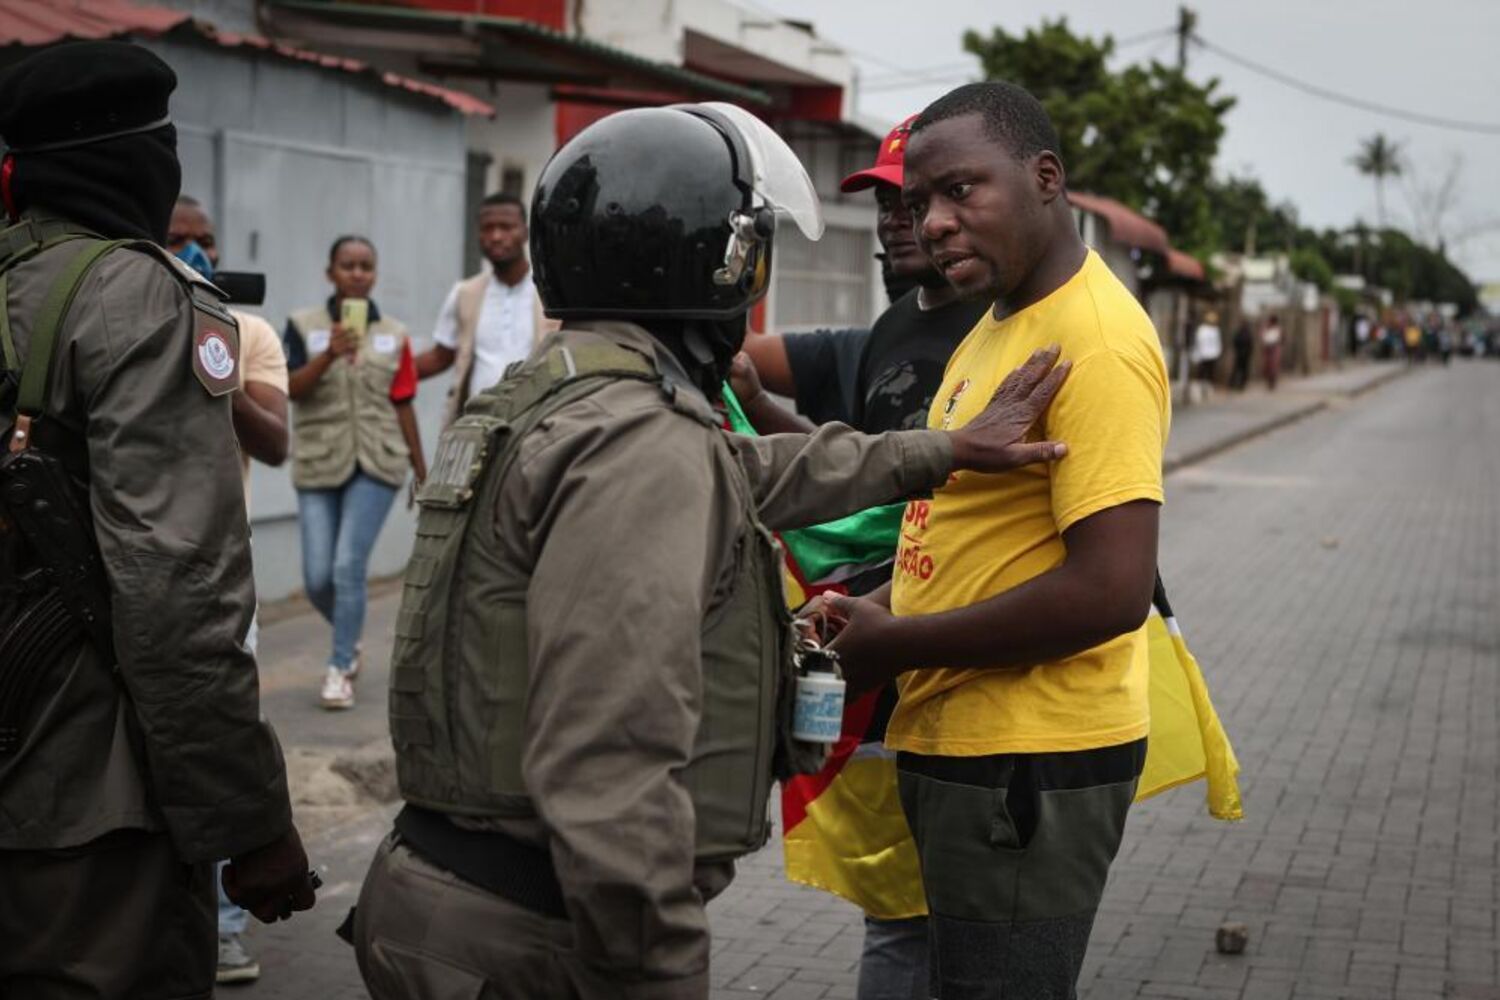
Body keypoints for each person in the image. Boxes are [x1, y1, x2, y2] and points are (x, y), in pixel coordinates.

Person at [350, 101, 1071, 1000]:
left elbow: (754, 468)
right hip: (537, 931)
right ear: (717, 262)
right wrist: (656, 963)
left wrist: (946, 448)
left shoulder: (561, 395)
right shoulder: (635, 441)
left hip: (452, 897)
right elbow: (609, 754)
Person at [813, 81, 1168, 999]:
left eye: (960, 190)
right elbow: (963, 531)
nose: (931, 222)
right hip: (964, 745)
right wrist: (866, 609)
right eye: (919, 201)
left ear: (1044, 178)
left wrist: (902, 645)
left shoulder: (1096, 340)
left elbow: (1112, 590)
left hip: (1027, 762)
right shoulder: (998, 322)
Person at [0, 41, 315, 999]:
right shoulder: (139, 298)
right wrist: (249, 821)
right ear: (144, 165)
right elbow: (177, 595)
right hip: (82, 805)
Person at [730, 113, 988, 1000]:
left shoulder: (999, 330)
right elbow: (850, 469)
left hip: (958, 644)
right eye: (887, 203)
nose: (898, 221)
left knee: (958, 908)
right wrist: (751, 399)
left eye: (917, 202)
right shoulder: (890, 330)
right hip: (879, 646)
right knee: (895, 901)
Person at [167, 194, 291, 984]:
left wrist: (214, 358)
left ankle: (224, 926)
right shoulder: (119, 323)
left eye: (206, 241)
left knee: (225, 736)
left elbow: (275, 443)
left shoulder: (249, 334)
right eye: (178, 241)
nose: (197, 255)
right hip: (125, 565)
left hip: (219, 571)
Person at [283, 235, 427, 710]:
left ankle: (340, 666)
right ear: (331, 273)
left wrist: (421, 468)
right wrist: (328, 354)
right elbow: (290, 388)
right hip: (320, 460)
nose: (358, 273)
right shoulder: (303, 326)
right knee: (318, 578)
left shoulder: (395, 333)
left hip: (378, 461)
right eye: (348, 265)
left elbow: (403, 401)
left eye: (366, 266)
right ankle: (351, 635)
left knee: (348, 566)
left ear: (375, 274)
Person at [415, 192, 560, 425]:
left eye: (506, 227)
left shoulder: (552, 290)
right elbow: (440, 357)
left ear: (525, 232)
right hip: (477, 422)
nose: (496, 236)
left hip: (537, 422)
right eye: (487, 228)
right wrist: (382, 371)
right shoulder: (465, 293)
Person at [1191, 309, 1222, 399]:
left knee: (1210, 373)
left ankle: (1208, 389)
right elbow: (1199, 342)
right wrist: (1197, 353)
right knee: (1202, 372)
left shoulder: (1215, 330)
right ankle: (1200, 389)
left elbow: (1217, 342)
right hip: (1203, 354)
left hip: (1212, 354)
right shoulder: (1202, 329)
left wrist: (1217, 352)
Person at [1229, 319, 1254, 391]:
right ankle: (1233, 383)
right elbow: (1235, 342)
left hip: (1245, 355)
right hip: (1239, 354)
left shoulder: (1248, 334)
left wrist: (1248, 352)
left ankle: (1241, 384)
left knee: (1243, 370)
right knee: (1237, 369)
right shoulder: (1239, 333)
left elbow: (1250, 345)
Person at [1262, 313, 1284, 389]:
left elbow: (1280, 339)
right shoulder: (1266, 328)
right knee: (1267, 366)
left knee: (1273, 366)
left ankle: (1272, 382)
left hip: (1274, 348)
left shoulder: (1278, 329)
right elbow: (1264, 338)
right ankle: (1269, 381)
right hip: (1268, 348)